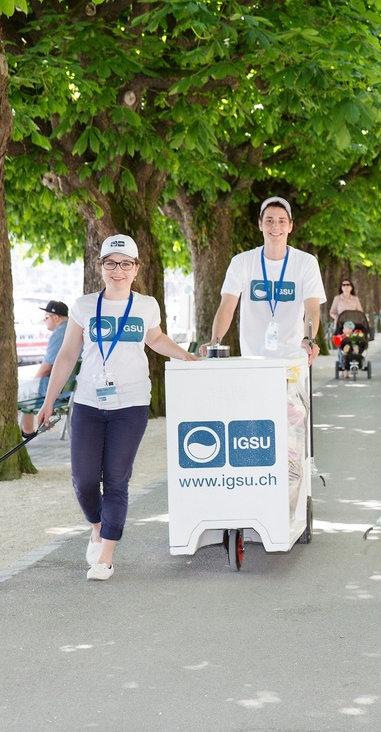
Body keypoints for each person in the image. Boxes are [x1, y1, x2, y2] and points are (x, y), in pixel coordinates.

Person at [37, 235, 199, 581]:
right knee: (82, 480)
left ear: (136, 269)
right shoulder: (83, 306)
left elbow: (155, 339)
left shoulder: (146, 305)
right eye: (111, 263)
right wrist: (49, 402)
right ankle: (97, 526)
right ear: (101, 268)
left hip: (131, 404)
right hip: (88, 403)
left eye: (126, 263)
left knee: (115, 480)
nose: (118, 270)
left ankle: (106, 556)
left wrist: (185, 354)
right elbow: (67, 356)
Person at [202, 197, 325, 364]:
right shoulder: (242, 262)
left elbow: (312, 309)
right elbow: (227, 307)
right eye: (269, 220)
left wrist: (308, 339)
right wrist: (215, 341)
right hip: (253, 359)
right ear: (260, 224)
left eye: (282, 221)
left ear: (290, 226)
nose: (275, 226)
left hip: (293, 358)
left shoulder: (306, 262)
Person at [20, 300, 69, 435]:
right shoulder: (73, 329)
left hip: (59, 388)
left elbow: (46, 368)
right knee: (29, 391)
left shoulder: (59, 334)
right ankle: (27, 430)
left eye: (46, 317)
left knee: (18, 391)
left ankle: (25, 432)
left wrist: (33, 381)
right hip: (70, 387)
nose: (44, 321)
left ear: (56, 318)